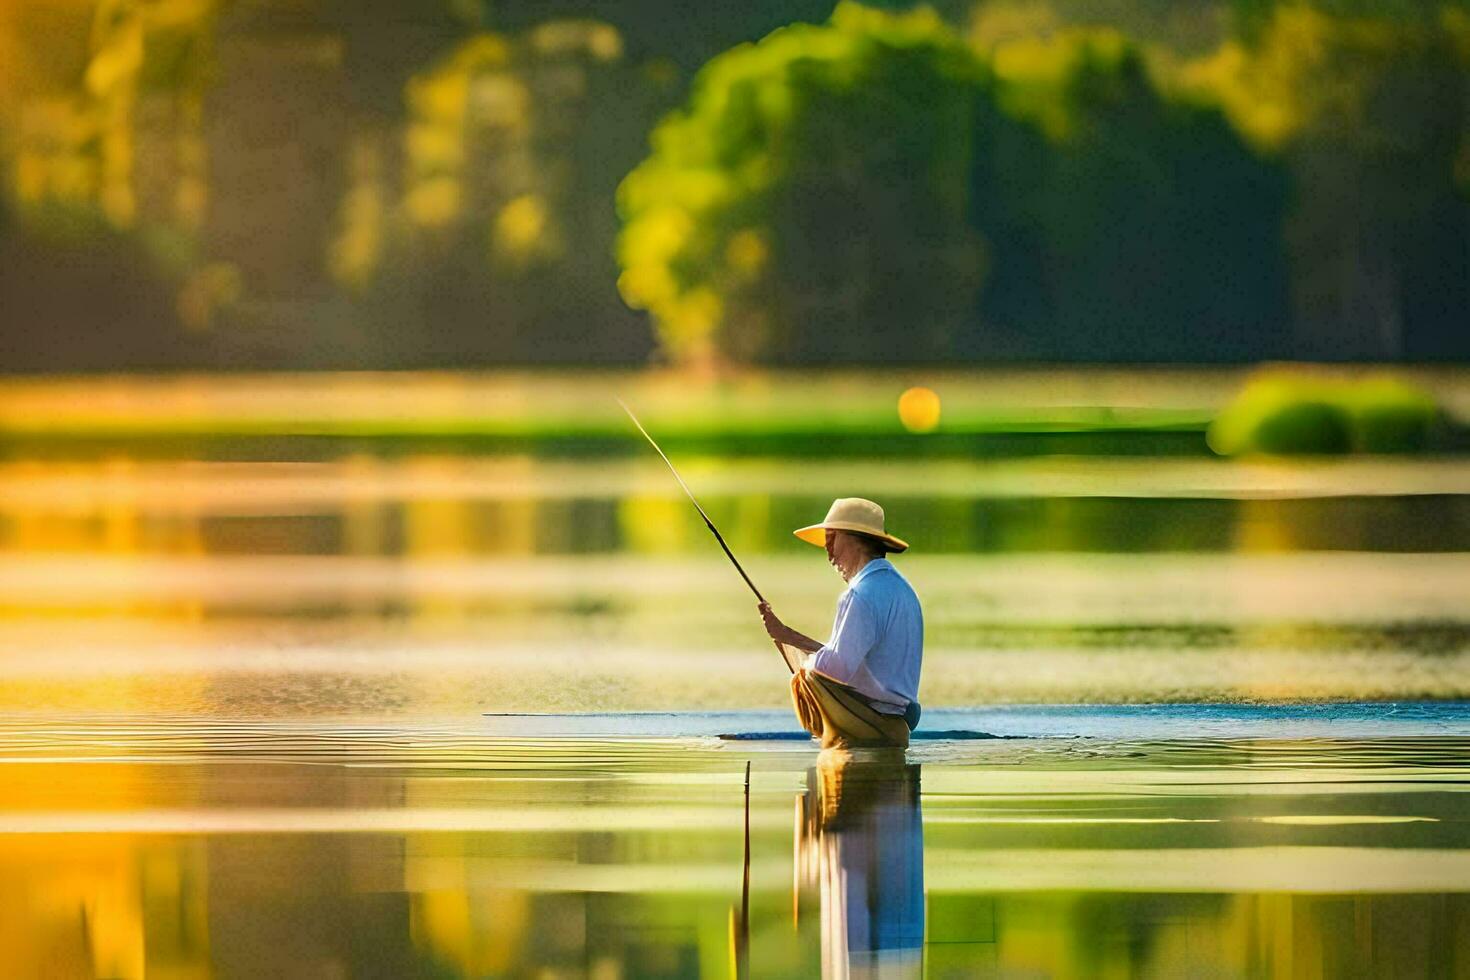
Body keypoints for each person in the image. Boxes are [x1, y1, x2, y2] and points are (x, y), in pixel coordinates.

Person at [759, 497, 923, 748]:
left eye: (832, 539)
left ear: (855, 539)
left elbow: (835, 669)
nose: (828, 552)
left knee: (807, 676)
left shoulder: (860, 594)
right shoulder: (902, 589)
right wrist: (787, 636)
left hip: (868, 726)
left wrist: (803, 663)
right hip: (895, 725)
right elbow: (852, 661)